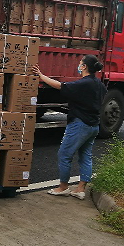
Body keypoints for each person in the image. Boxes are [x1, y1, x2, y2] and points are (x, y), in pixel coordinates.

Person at [33, 55, 107, 200]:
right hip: (93, 126)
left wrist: (41, 75)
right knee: (86, 156)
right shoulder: (100, 85)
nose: (78, 65)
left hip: (80, 125)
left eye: (80, 63)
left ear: (84, 66)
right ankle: (80, 189)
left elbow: (60, 86)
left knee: (64, 154)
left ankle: (63, 187)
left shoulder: (84, 83)